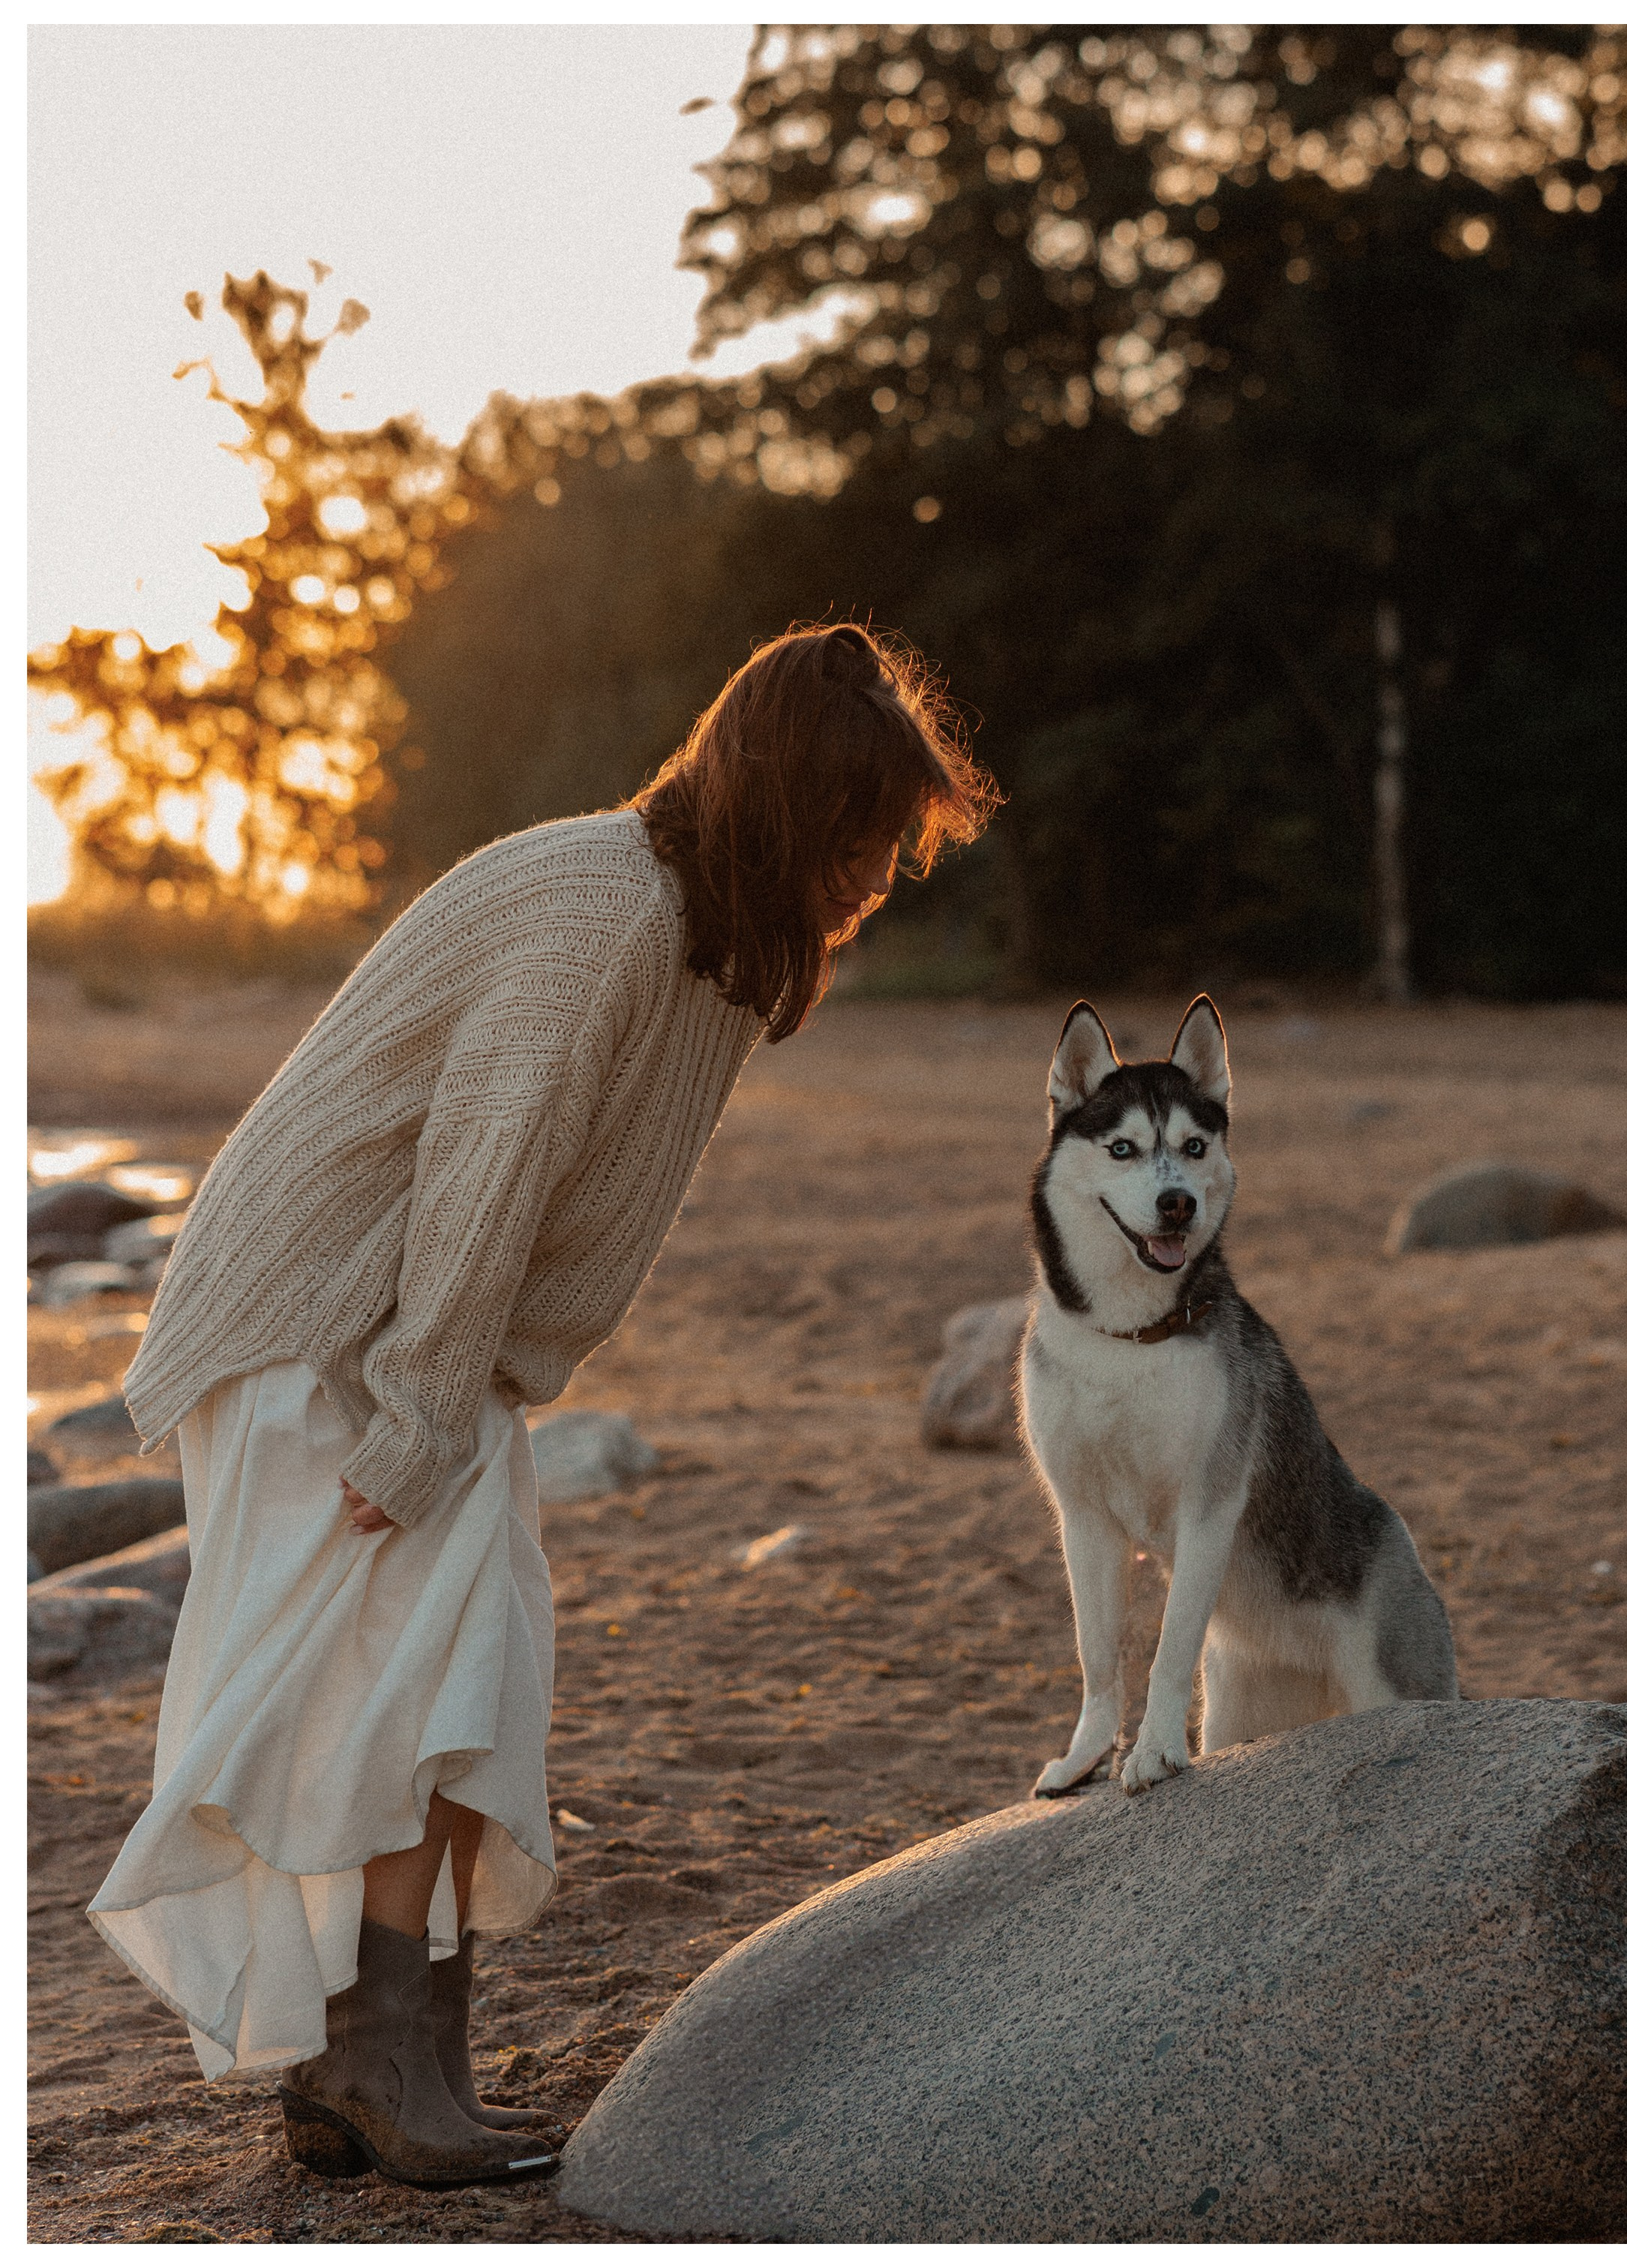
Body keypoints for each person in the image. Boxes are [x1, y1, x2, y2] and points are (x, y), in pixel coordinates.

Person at [92, 623, 996, 2188]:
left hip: (416, 1333)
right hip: (324, 1320)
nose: (876, 876)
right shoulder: (609, 912)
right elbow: (485, 1159)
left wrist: (456, 1384)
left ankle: (389, 2057)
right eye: (862, 837)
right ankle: (374, 2059)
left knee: (472, 1669)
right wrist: (422, 1410)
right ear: (790, 807)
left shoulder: (708, 939)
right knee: (413, 1674)